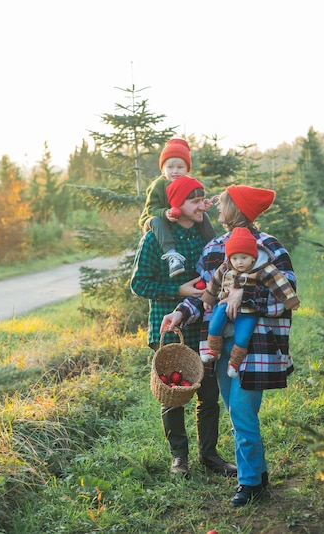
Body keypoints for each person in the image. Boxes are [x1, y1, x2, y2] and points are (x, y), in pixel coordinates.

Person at [160, 185, 298, 507]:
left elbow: (286, 296)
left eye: (222, 203)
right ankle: (259, 475)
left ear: (238, 208)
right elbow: (205, 297)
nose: (216, 208)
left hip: (258, 346)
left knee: (241, 411)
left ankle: (248, 483)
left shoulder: (270, 247)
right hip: (220, 347)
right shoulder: (213, 249)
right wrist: (180, 312)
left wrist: (243, 293)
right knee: (239, 413)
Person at [131, 175, 237, 480]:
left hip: (202, 326)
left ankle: (210, 455)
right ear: (177, 204)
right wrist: (179, 291)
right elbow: (139, 284)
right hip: (168, 325)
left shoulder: (206, 235)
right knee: (173, 393)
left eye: (202, 198)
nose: (201, 204)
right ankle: (179, 457)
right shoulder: (155, 237)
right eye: (194, 199)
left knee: (209, 392)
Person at [200, 226, 300, 379]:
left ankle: (234, 362)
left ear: (253, 257)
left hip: (248, 311)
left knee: (243, 337)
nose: (239, 263)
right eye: (234, 258)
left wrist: (290, 300)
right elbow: (215, 281)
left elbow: (280, 284)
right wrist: (208, 298)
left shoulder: (263, 269)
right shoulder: (226, 267)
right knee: (214, 324)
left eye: (243, 258)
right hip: (225, 304)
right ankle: (214, 350)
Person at [139, 137, 215, 277]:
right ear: (162, 169)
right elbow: (151, 208)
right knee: (157, 220)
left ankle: (214, 245)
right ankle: (172, 255)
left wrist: (202, 205)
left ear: (187, 169)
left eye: (180, 167)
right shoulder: (158, 185)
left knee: (204, 217)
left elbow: (192, 201)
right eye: (170, 167)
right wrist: (165, 212)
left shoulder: (187, 183)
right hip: (154, 219)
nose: (175, 171)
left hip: (177, 217)